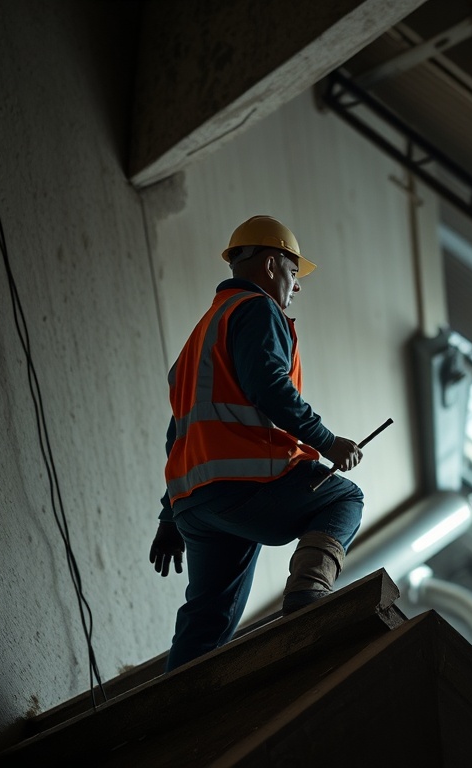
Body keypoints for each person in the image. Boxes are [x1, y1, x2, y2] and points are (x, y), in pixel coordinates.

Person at [149, 214, 365, 672]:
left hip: (196, 504)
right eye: (293, 270)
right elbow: (269, 387)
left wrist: (169, 514)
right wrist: (328, 443)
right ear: (270, 265)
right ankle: (308, 593)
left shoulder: (201, 335)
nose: (297, 285)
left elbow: (178, 432)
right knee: (344, 498)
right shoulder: (257, 310)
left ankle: (169, 704)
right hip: (247, 481)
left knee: (206, 623)